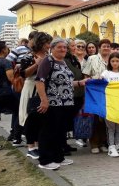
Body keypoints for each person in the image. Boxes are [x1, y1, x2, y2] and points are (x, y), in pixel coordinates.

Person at [36, 38, 87, 170]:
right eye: (59, 47)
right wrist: (44, 100)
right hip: (52, 103)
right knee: (48, 131)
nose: (63, 49)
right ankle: (45, 160)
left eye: (64, 47)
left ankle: (58, 157)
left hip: (66, 103)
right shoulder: (48, 61)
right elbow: (39, 81)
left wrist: (81, 82)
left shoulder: (64, 62)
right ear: (52, 48)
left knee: (60, 131)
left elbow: (66, 83)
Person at [82, 39, 112, 154]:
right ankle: (94, 143)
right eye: (104, 46)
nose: (106, 48)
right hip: (94, 91)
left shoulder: (112, 58)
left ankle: (103, 142)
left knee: (106, 118)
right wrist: (86, 92)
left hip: (109, 92)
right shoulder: (92, 58)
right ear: (99, 47)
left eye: (108, 46)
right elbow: (86, 74)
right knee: (95, 118)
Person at [101, 52, 119, 157]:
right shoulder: (106, 73)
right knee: (111, 127)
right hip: (109, 104)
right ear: (109, 62)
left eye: (117, 61)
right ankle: (111, 147)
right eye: (112, 61)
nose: (115, 63)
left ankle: (118, 144)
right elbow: (100, 85)